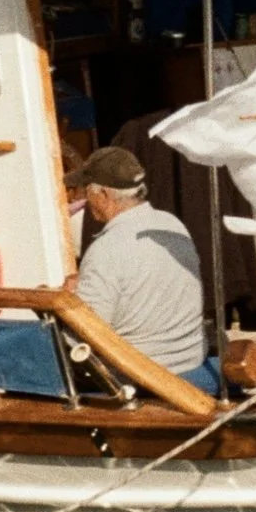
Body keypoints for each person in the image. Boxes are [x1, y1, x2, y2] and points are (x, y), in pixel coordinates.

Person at [74, 145, 206, 377]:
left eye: (87, 191)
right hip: (190, 359)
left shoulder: (105, 249)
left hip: (139, 373)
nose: (85, 199)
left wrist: (69, 303)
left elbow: (86, 334)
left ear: (103, 195)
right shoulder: (173, 225)